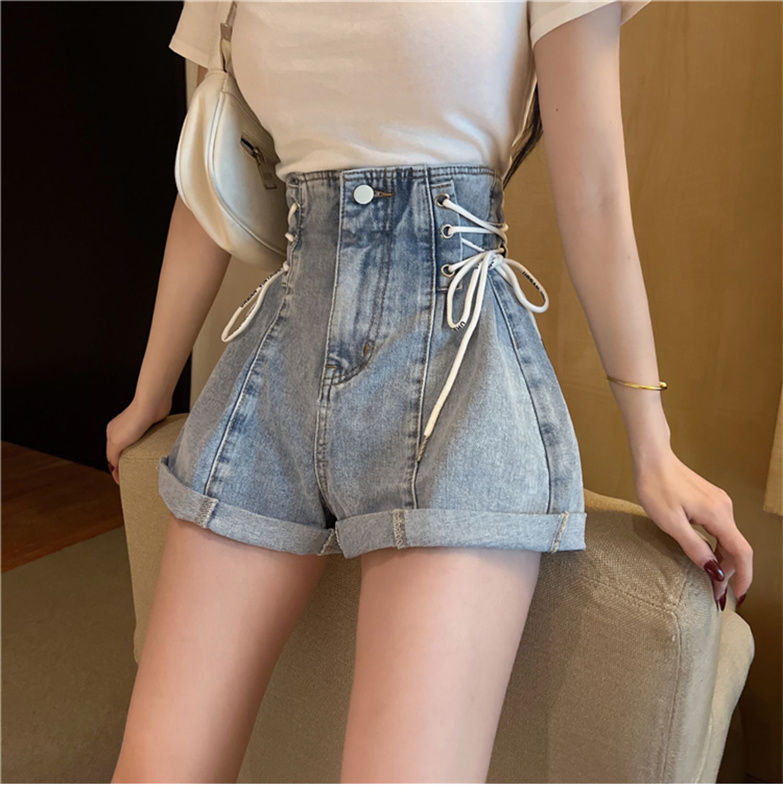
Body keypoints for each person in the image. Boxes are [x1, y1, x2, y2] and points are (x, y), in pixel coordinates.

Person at [108, 0, 753, 783]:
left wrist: (652, 444)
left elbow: (595, 193)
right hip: (275, 368)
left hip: (457, 375)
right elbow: (206, 188)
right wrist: (149, 392)